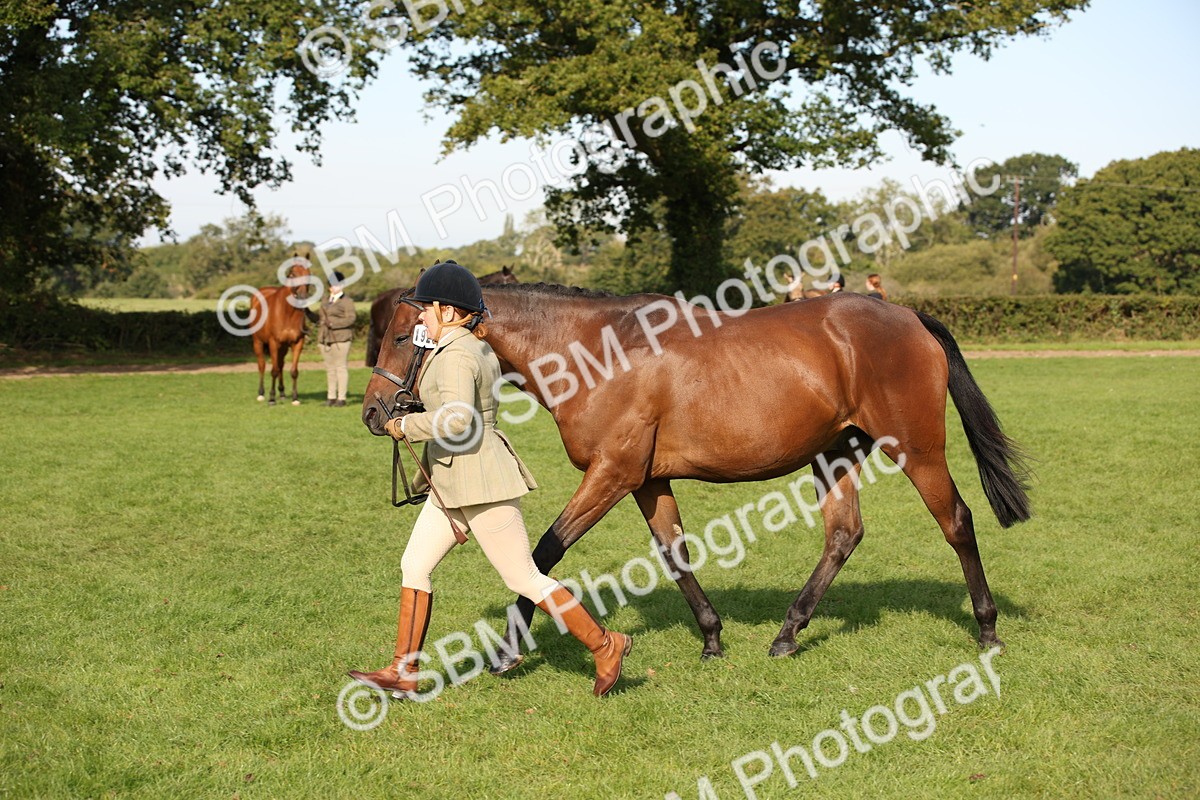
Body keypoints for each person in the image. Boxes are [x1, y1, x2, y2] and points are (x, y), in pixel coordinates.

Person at [348, 261, 632, 698]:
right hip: (451, 480)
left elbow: (458, 418)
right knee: (415, 565)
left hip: (479, 479)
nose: (421, 318)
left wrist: (405, 426)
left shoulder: (458, 354)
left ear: (447, 311)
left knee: (524, 578)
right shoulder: (463, 347)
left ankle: (606, 644)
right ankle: (404, 671)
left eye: (427, 309)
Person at [316, 271, 355, 406]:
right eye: (331, 285)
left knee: (340, 367)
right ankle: (331, 397)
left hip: (341, 339)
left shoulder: (347, 301)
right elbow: (321, 318)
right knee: (330, 369)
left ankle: (341, 398)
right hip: (325, 339)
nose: (333, 287)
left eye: (336, 284)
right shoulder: (325, 300)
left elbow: (351, 319)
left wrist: (333, 324)